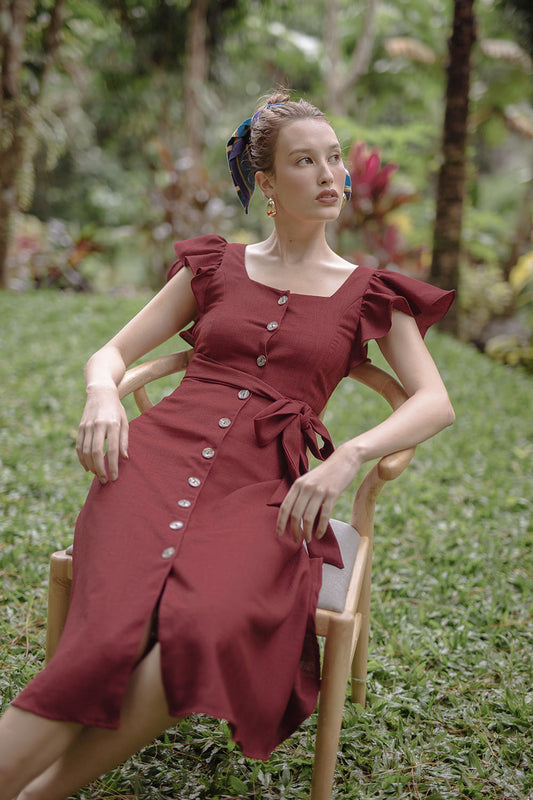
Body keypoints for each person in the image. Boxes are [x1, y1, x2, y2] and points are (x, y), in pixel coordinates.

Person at [0, 91, 455, 800]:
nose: (329, 174)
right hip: (152, 465)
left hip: (265, 492)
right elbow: (111, 354)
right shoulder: (215, 265)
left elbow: (434, 402)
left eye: (334, 157)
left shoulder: (371, 293)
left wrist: (347, 455)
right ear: (266, 182)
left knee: (203, 631)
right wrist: (100, 395)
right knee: (103, 639)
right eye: (305, 161)